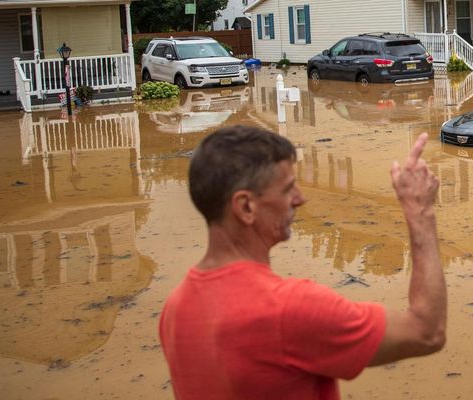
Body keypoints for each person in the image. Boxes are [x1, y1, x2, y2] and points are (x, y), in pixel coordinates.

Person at [159, 126, 445, 399]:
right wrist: (420, 211)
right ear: (246, 207)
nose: (300, 199)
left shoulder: (175, 308)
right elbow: (426, 331)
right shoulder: (290, 309)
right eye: (287, 189)